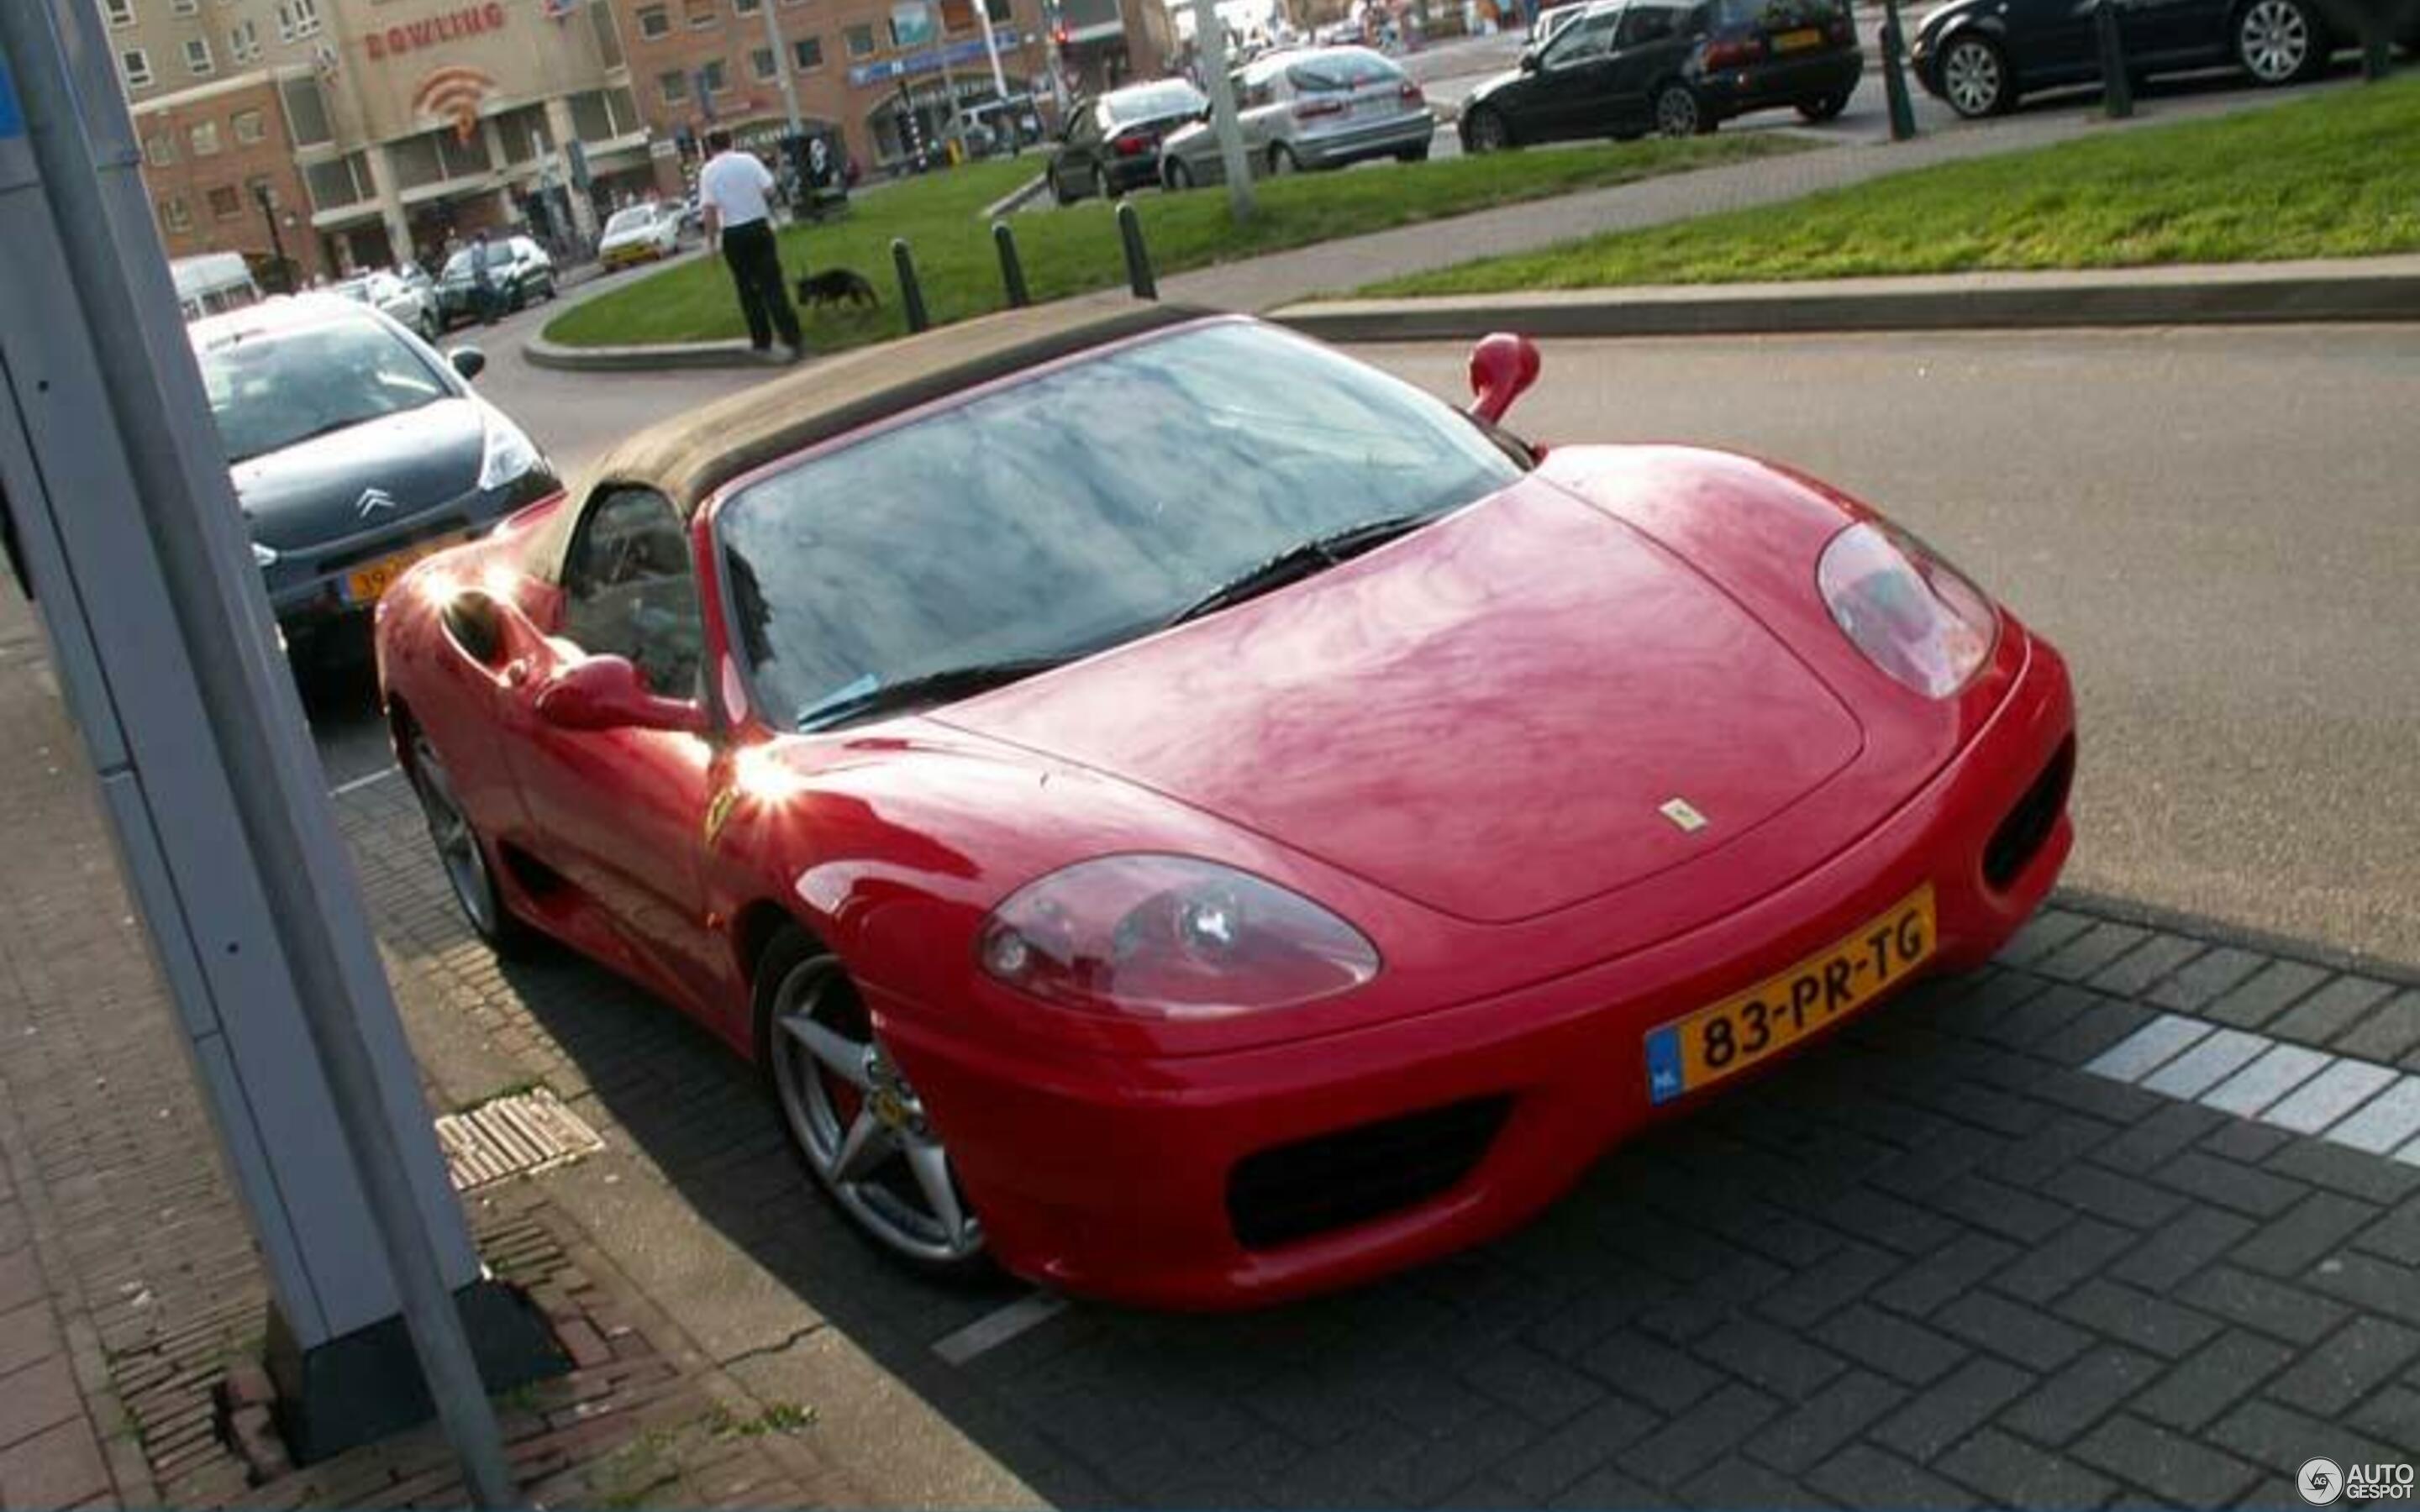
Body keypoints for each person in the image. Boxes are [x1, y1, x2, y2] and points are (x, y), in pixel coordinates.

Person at [697, 128, 802, 362]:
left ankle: (761, 339)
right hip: (758, 227)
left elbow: (709, 211)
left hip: (734, 233)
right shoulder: (749, 161)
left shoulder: (708, 172)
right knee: (773, 285)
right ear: (731, 141)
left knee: (747, 290)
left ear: (710, 147)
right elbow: (770, 189)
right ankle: (793, 338)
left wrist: (711, 244)